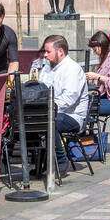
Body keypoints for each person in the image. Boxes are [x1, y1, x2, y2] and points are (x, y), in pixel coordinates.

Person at [33, 34, 89, 174]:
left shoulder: (72, 69)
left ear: (60, 52)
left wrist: (46, 107)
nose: (45, 55)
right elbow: (41, 88)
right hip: (52, 110)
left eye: (48, 52)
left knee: (50, 120)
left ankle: (61, 160)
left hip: (72, 115)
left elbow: (69, 99)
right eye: (44, 52)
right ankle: (40, 163)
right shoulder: (48, 68)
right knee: (31, 119)